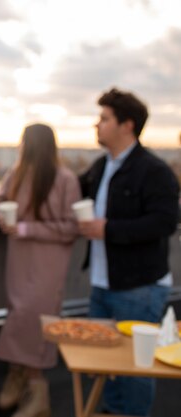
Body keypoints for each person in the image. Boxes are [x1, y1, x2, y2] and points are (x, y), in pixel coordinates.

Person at [78, 87, 180, 416]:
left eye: (104, 119)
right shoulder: (99, 167)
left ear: (127, 125)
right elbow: (64, 189)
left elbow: (165, 222)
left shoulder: (154, 170)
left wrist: (107, 229)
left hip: (139, 287)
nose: (97, 125)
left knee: (136, 371)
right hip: (102, 283)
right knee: (107, 365)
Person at [0, 123, 81, 417]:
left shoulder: (65, 179)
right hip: (20, 261)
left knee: (33, 318)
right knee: (19, 314)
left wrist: (25, 227)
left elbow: (71, 227)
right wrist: (1, 214)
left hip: (48, 263)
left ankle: (35, 388)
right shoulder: (16, 174)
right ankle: (22, 383)